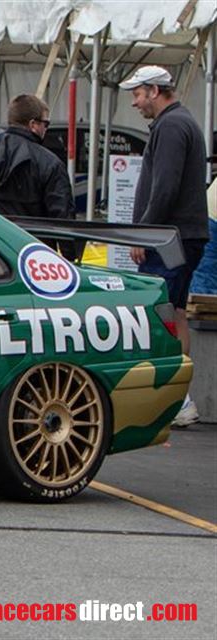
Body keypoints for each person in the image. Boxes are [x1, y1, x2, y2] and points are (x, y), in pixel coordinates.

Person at [119, 65, 209, 426]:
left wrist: (144, 232)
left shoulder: (171, 126)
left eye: (138, 94)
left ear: (155, 91)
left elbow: (165, 186)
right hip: (181, 236)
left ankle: (175, 399)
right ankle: (179, 396)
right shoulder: (181, 122)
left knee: (160, 313)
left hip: (169, 238)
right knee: (175, 311)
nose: (135, 102)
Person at [0, 94, 73, 222]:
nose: (46, 128)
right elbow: (64, 219)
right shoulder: (49, 163)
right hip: (28, 234)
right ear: (33, 124)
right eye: (46, 123)